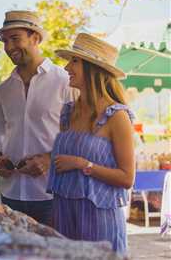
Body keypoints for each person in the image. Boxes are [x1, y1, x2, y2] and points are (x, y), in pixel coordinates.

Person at [47, 33, 135, 254]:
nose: (67, 67)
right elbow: (65, 159)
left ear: (93, 69)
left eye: (74, 61)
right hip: (64, 214)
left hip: (99, 221)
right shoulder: (68, 112)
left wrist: (82, 164)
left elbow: (127, 178)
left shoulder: (116, 116)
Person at [0, 10, 73, 225]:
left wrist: (49, 159)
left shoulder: (65, 81)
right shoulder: (4, 89)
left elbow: (79, 133)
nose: (8, 47)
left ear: (35, 38)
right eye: (5, 41)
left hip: (53, 194)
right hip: (10, 195)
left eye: (15, 39)